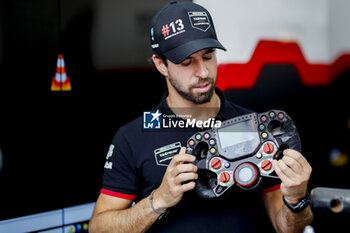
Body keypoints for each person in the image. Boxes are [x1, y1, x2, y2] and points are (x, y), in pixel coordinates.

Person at [89, 1, 313, 233]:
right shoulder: (133, 137)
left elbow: (287, 228)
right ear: (161, 64)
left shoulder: (255, 126)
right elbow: (98, 228)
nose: (203, 72)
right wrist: (158, 201)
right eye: (187, 62)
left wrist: (296, 199)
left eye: (208, 56)